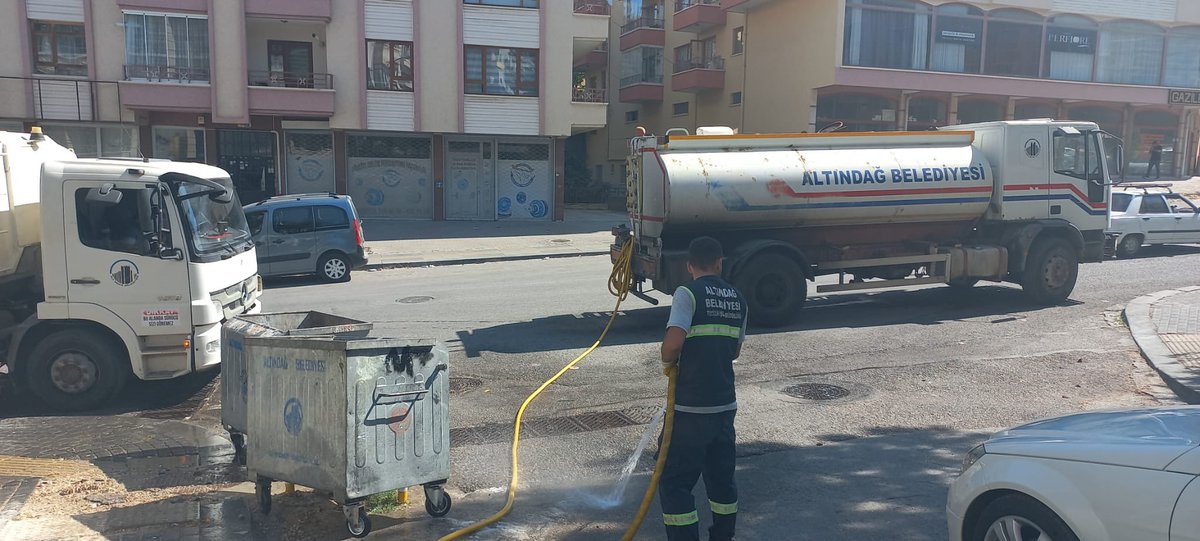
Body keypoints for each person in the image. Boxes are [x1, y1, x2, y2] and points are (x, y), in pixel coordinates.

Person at [658, 236, 748, 541]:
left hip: (691, 408)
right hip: (724, 406)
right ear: (720, 263)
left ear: (689, 265)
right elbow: (734, 351)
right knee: (722, 480)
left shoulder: (688, 293)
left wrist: (667, 360)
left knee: (675, 482)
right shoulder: (738, 297)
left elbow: (673, 343)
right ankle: (723, 536)